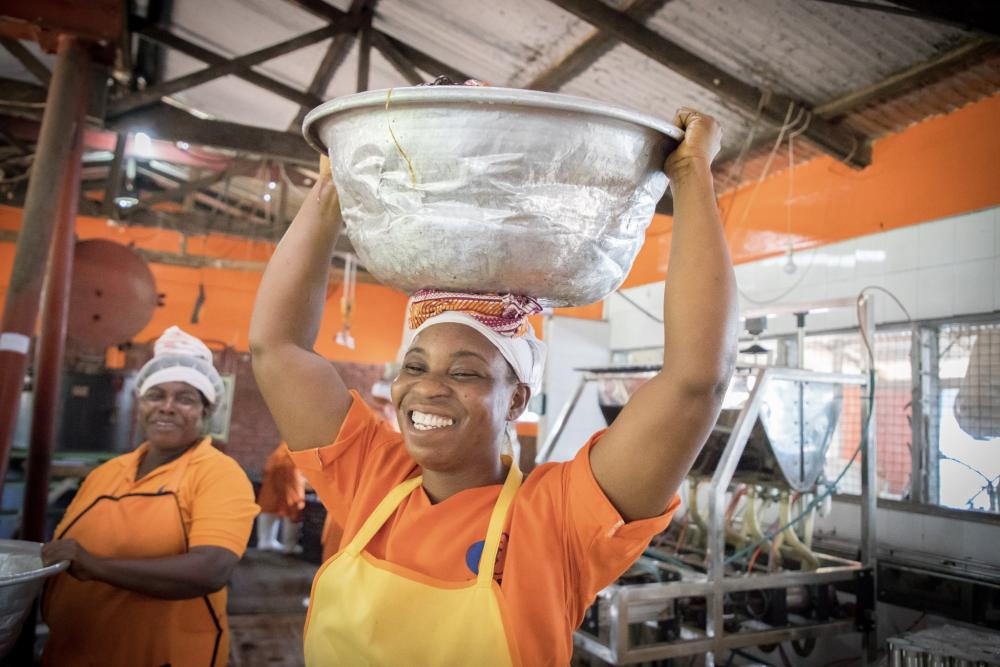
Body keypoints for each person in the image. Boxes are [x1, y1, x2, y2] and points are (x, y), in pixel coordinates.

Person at [249, 108, 737, 666]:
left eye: (465, 372)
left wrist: (693, 174)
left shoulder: (558, 521)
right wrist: (334, 187)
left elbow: (696, 382)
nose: (428, 389)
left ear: (517, 398)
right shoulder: (372, 478)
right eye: (415, 366)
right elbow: (277, 349)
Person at [40, 326, 259, 667]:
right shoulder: (107, 472)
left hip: (160, 656)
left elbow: (211, 569)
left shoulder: (218, 474)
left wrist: (95, 567)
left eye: (185, 398)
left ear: (206, 412)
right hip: (72, 651)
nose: (167, 407)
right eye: (156, 395)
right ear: (140, 403)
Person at [256, 443, 306, 552]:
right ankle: (289, 545)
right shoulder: (294, 447)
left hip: (276, 474)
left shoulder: (280, 451)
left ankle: (266, 541)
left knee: (270, 505)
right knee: (293, 507)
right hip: (291, 472)